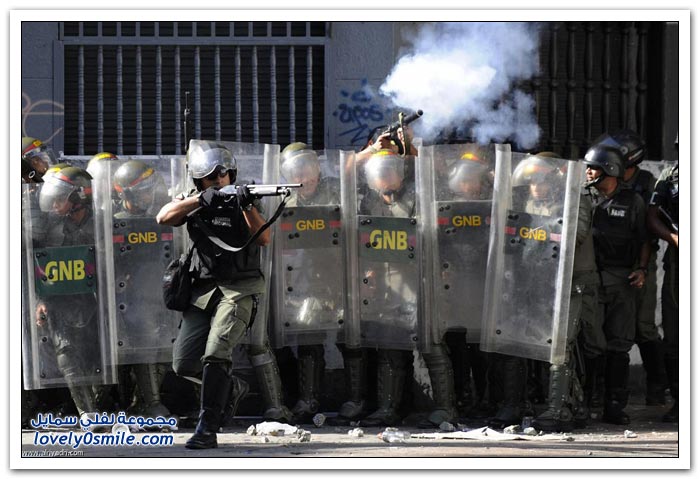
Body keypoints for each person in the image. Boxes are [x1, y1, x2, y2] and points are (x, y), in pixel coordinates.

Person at [156, 140, 268, 449]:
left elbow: (264, 238)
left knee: (217, 353)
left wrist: (246, 205)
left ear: (232, 174)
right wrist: (199, 201)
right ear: (199, 181)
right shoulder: (194, 199)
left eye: (223, 175)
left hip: (239, 289)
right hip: (203, 291)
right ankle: (231, 387)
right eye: (210, 177)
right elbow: (164, 217)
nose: (218, 180)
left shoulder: (246, 198)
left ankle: (207, 427)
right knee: (183, 364)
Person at [595, 130, 666, 407]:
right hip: (611, 264)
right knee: (607, 329)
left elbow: (649, 225)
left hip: (640, 260)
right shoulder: (602, 183)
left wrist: (643, 267)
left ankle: (657, 384)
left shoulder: (646, 183)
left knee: (643, 326)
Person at [582, 144, 650, 425]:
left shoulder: (632, 201)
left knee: (619, 344)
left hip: (621, 280)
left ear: (609, 169)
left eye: (593, 167)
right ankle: (585, 402)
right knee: (589, 343)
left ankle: (614, 405)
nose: (588, 172)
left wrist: (641, 269)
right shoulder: (582, 197)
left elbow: (644, 239)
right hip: (589, 279)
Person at [33, 166, 104, 426]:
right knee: (66, 350)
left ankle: (109, 406)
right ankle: (87, 412)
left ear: (79, 197)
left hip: (101, 300)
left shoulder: (103, 223)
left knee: (101, 353)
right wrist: (40, 301)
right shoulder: (51, 229)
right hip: (61, 301)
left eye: (59, 199)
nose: (54, 205)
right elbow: (39, 268)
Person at [276, 142, 341, 424]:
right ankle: (299, 397)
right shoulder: (282, 199)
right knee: (298, 338)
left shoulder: (336, 191)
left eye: (307, 168)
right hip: (294, 278)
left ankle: (319, 399)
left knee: (341, 340)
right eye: (296, 171)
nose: (302, 176)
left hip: (333, 275)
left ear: (317, 169)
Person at [112, 160, 172, 419]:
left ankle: (143, 402)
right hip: (132, 298)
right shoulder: (114, 222)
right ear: (126, 194)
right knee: (144, 347)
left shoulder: (163, 215)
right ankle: (152, 403)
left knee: (164, 350)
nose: (150, 195)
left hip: (163, 292)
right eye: (144, 191)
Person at [647, 134, 679, 423]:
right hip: (679, 261)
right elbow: (653, 215)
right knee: (675, 331)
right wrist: (674, 238)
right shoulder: (670, 175)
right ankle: (681, 400)